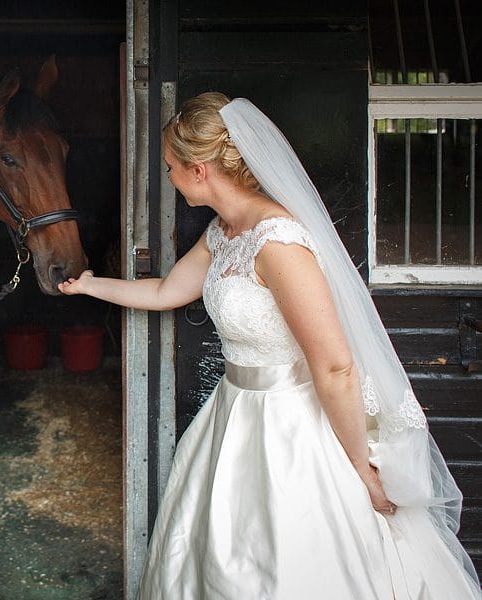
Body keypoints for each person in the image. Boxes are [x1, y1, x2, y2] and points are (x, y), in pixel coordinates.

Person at [59, 92, 480, 599]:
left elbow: (336, 367)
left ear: (199, 171)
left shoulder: (277, 242)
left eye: (170, 167)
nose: (167, 178)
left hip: (293, 429)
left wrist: (359, 471)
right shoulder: (223, 232)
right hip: (233, 414)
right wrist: (89, 285)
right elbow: (167, 290)